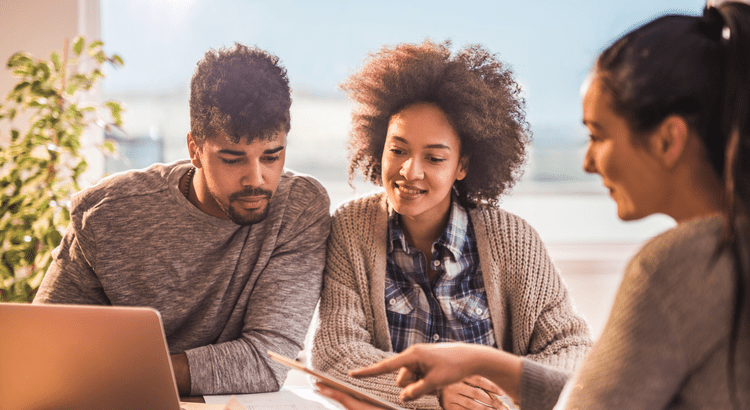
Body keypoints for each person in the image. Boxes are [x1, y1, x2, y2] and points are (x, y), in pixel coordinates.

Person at [318, 2, 750, 409]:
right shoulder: (721, 251)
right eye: (399, 149)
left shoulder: (671, 268)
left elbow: (582, 378)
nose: (585, 160)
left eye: (598, 135)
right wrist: (476, 368)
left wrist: (477, 386)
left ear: (668, 139)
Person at [33, 44, 331, 397]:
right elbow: (44, 347)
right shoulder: (107, 214)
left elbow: (267, 360)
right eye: (233, 159)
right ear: (194, 149)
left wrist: (124, 373)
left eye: (272, 155)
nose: (257, 178)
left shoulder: (298, 209)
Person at [310, 40, 592, 410]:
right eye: (398, 150)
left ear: (462, 166)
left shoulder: (512, 240)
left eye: (435, 157)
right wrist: (432, 394)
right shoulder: (352, 228)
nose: (410, 171)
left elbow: (572, 349)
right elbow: (336, 354)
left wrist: (489, 393)